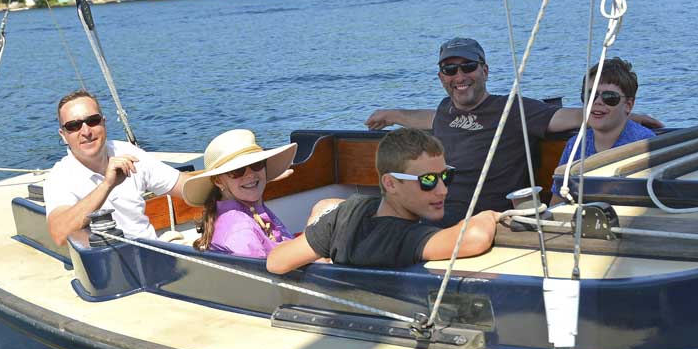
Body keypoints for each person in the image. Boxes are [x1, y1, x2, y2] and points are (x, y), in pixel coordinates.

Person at [364, 37, 662, 227]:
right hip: (432, 205)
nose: (459, 76)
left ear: (484, 70)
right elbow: (428, 118)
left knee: (383, 231)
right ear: (441, 76)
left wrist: (622, 113)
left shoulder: (512, 109)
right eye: (450, 70)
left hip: (476, 218)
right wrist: (393, 115)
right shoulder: (445, 110)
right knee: (356, 216)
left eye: (467, 67)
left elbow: (566, 115)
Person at [266, 128, 497, 274]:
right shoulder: (402, 238)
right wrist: (491, 215)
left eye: (446, 176)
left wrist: (324, 254)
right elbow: (473, 239)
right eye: (427, 180)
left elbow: (276, 262)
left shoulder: (349, 211)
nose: (442, 189)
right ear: (391, 183)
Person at [44, 90, 186, 246]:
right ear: (63, 135)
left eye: (93, 121)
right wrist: (107, 184)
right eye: (74, 125)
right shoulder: (59, 178)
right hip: (106, 264)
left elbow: (185, 186)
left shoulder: (128, 153)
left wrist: (216, 180)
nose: (86, 131)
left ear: (104, 122)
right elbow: (60, 234)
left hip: (152, 254)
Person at [550, 57, 655, 204]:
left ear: (628, 105)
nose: (598, 102)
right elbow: (556, 202)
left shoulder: (644, 144)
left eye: (609, 97)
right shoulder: (575, 145)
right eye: (590, 95)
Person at [182, 129, 298, 258]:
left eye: (256, 164)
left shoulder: (244, 210)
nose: (250, 175)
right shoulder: (240, 229)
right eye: (237, 171)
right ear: (218, 181)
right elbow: (261, 275)